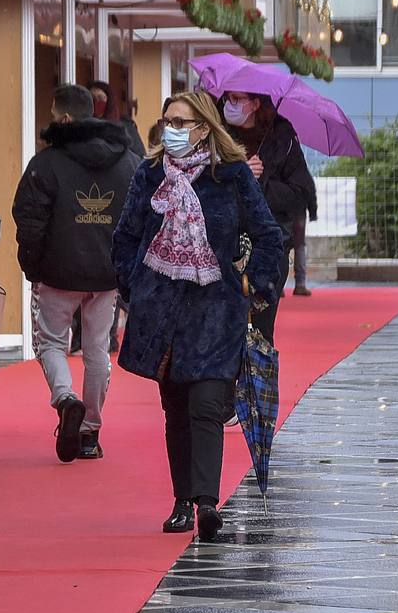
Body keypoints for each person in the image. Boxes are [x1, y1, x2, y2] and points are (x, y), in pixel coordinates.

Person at [112, 90, 283, 541]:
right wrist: (135, 287)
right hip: (164, 313)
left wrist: (252, 284)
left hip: (216, 310)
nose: (171, 129)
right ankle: (182, 501)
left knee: (206, 404)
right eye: (167, 120)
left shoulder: (231, 175)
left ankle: (207, 503)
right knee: (176, 408)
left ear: (204, 129)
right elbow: (125, 236)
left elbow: (268, 234)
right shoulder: (149, 174)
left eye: (180, 122)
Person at [13, 84, 141, 462]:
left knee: (51, 343)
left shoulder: (46, 163)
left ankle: (66, 398)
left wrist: (32, 265)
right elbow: (141, 219)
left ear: (65, 118)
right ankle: (90, 431)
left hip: (58, 271)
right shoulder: (128, 162)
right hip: (107, 274)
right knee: (97, 349)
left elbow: (29, 220)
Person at [219, 91, 317, 343]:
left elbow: (300, 194)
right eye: (228, 98)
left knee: (260, 331)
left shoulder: (282, 138)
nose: (230, 105)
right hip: (223, 246)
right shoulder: (217, 135)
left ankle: (258, 370)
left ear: (255, 104)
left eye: (237, 99)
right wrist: (238, 173)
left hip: (270, 249)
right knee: (222, 330)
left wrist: (260, 182)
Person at [89, 79, 144, 156]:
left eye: (100, 97)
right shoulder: (84, 127)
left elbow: (140, 155)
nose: (96, 101)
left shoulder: (126, 126)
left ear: (109, 100)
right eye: (92, 98)